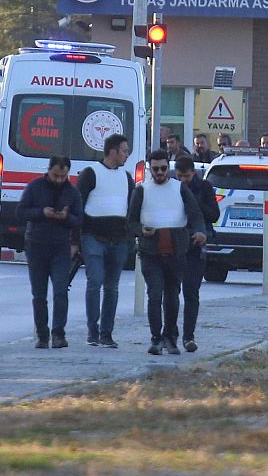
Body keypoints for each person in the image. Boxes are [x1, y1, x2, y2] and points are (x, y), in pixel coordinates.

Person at [129, 149, 206, 356]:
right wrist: (141, 231)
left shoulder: (179, 188)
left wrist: (200, 232)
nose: (160, 172)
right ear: (150, 169)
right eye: (156, 169)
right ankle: (156, 338)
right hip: (150, 253)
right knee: (154, 294)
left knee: (172, 297)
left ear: (168, 168)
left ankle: (170, 337)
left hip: (176, 252)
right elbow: (131, 221)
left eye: (163, 168)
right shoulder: (141, 191)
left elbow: (195, 214)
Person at [17, 155, 83, 349]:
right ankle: (42, 335)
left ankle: (59, 334)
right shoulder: (35, 187)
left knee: (61, 291)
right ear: (48, 170)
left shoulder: (72, 193)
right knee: (39, 294)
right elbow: (21, 212)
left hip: (60, 247)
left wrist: (66, 217)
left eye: (63, 176)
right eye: (55, 175)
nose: (58, 180)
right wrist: (41, 212)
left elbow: (79, 220)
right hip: (36, 245)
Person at [77, 133, 134, 348]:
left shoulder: (126, 177)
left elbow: (132, 206)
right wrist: (76, 237)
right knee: (95, 281)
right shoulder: (91, 173)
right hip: (93, 236)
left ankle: (106, 333)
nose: (126, 155)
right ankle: (93, 329)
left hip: (118, 239)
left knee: (112, 287)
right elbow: (78, 203)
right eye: (124, 151)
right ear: (112, 151)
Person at [174, 156, 220, 352]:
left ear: (193, 172)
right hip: (176, 244)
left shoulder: (204, 188)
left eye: (187, 176)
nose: (183, 180)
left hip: (197, 244)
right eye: (180, 176)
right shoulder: (171, 188)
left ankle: (188, 336)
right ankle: (171, 334)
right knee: (171, 292)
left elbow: (214, 215)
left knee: (191, 291)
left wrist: (194, 203)